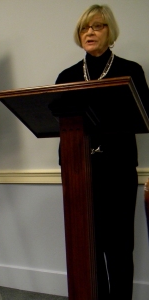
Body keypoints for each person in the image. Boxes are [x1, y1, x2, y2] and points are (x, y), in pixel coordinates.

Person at [55, 4, 149, 300]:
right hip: (79, 173)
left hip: (118, 171)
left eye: (97, 26)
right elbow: (60, 125)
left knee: (119, 249)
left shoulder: (129, 71)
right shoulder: (67, 76)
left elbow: (145, 117)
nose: (90, 32)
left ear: (111, 32)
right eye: (85, 27)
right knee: (88, 249)